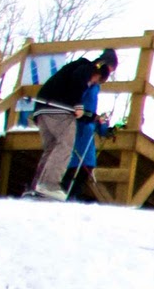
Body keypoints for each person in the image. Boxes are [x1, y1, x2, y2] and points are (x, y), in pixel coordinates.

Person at [30, 50, 116, 200]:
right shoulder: (88, 68)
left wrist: (91, 116)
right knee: (65, 144)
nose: (94, 83)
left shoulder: (74, 69)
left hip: (42, 109)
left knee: (51, 148)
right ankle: (49, 185)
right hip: (58, 110)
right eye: (96, 81)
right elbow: (79, 80)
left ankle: (37, 185)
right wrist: (78, 105)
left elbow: (77, 91)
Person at [60, 80, 112, 202]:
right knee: (71, 183)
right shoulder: (84, 95)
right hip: (80, 157)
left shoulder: (86, 110)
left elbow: (100, 126)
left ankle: (68, 200)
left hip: (81, 157)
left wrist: (105, 126)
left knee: (72, 183)